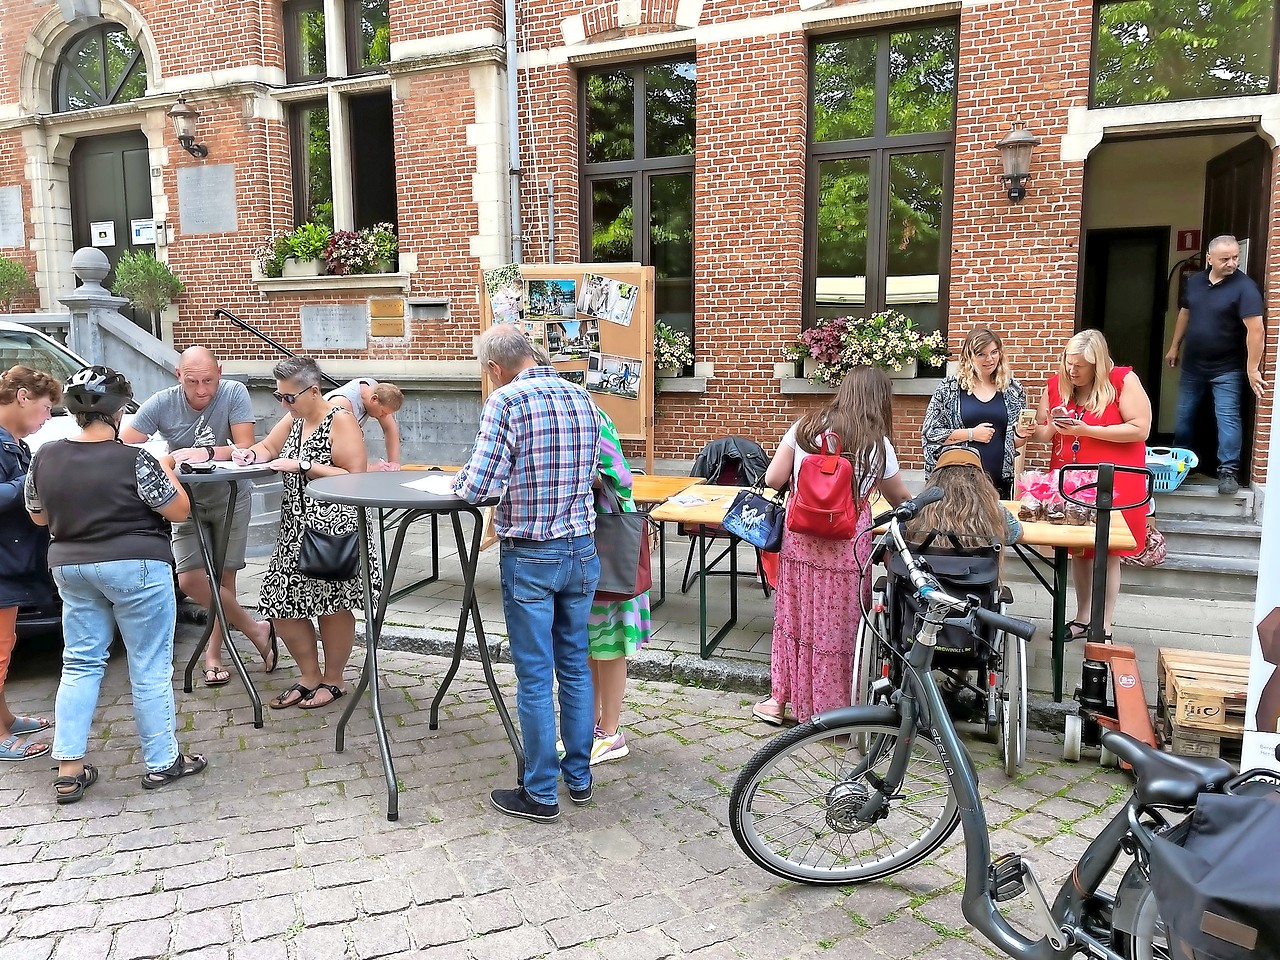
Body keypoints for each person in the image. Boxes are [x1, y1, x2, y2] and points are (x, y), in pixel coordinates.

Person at [25, 366, 203, 803]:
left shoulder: (45, 455)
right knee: (148, 665)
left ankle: (69, 768)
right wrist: (167, 468)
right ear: (118, 412)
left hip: (70, 566)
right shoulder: (136, 458)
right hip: (137, 564)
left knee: (81, 662)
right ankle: (162, 763)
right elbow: (179, 511)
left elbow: (38, 516)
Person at [453, 324, 601, 822]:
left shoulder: (506, 402)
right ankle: (578, 778)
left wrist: (454, 480)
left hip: (532, 552)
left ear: (495, 369)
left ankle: (540, 792)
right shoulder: (582, 396)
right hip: (581, 547)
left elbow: (478, 487)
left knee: (536, 676)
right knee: (576, 667)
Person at [754, 366, 912, 726]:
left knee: (794, 620)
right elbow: (897, 496)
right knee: (838, 629)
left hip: (800, 542)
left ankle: (781, 701)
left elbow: (773, 478)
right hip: (848, 545)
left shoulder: (805, 427)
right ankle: (834, 712)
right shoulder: (877, 444)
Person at [119, 346, 277, 686]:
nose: (202, 389)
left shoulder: (234, 392)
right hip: (183, 501)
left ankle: (214, 655)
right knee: (190, 580)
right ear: (179, 376)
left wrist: (205, 451)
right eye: (193, 382)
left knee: (224, 581)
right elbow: (125, 443)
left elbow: (245, 446)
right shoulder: (163, 402)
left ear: (220, 372)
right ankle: (255, 628)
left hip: (230, 496)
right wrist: (163, 456)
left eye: (208, 380)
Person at [232, 357, 377, 710]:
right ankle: (309, 675)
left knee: (332, 605)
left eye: (289, 397)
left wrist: (305, 466)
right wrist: (248, 454)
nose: (283, 403)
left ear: (313, 391)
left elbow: (355, 474)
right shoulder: (295, 415)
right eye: (278, 396)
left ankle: (334, 679)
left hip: (334, 528)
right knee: (279, 603)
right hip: (295, 527)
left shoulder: (339, 419)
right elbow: (268, 447)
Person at [1032, 329, 1151, 642]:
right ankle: (1083, 617)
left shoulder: (1123, 380)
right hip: (1072, 478)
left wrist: (1088, 430)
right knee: (1080, 550)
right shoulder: (1058, 385)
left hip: (1116, 479)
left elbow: (1141, 428)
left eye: (1080, 366)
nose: (1073, 371)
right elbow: (1045, 434)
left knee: (1108, 551)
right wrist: (1040, 427)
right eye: (1069, 364)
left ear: (1097, 364)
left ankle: (1105, 624)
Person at [1165, 234, 1267, 495]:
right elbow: (1185, 313)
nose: (1232, 263)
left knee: (1228, 419)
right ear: (1209, 258)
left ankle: (1228, 473)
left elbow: (1255, 330)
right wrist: (1175, 346)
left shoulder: (1245, 288)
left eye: (1235, 257)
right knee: (1184, 418)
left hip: (1227, 368)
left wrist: (1252, 368)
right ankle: (1179, 467)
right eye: (1225, 259)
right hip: (1193, 366)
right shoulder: (1196, 281)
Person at [0, 366, 61, 761]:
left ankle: (3, 719)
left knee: (6, 644)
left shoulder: (13, 442)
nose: (47, 418)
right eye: (45, 407)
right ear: (22, 397)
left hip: (11, 559)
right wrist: (33, 477)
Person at [587, 411, 650, 765]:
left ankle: (610, 733)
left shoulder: (591, 416)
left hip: (607, 544)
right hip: (588, 543)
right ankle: (593, 724)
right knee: (588, 645)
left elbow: (620, 476)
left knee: (607, 643)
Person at [922, 326, 1030, 496]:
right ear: (969, 356)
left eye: (994, 352)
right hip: (957, 484)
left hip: (998, 483)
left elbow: (1013, 442)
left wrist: (1022, 434)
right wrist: (971, 434)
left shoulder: (1012, 389)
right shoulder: (949, 388)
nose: (990, 359)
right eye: (981, 354)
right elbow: (931, 433)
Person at [904, 446, 1021, 548]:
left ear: (936, 478)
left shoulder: (921, 505)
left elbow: (895, 536)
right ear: (980, 479)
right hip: (976, 571)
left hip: (926, 571)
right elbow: (1015, 532)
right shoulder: (991, 506)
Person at [324, 378, 404, 471]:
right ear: (374, 399)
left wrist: (393, 463)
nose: (383, 417)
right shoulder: (342, 405)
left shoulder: (373, 388)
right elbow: (343, 449)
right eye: (383, 412)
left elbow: (390, 428)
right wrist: (370, 468)